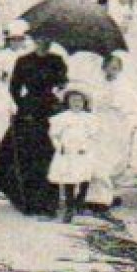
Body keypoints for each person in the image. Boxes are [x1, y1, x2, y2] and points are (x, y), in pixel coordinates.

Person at [0, 31, 69, 217]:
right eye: (41, 39)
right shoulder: (23, 61)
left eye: (48, 40)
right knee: (26, 154)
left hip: (49, 108)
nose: (45, 43)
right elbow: (14, 87)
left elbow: (62, 82)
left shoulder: (57, 60)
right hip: (29, 109)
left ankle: (48, 202)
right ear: (34, 40)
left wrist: (61, 86)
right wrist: (22, 106)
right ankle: (27, 199)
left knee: (48, 154)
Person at [90, 53, 137, 208]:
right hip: (100, 126)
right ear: (103, 68)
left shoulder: (124, 88)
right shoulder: (97, 85)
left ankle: (113, 193)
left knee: (116, 161)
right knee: (100, 160)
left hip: (117, 127)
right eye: (108, 68)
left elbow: (133, 109)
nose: (111, 71)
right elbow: (93, 105)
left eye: (115, 68)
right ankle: (99, 198)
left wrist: (130, 126)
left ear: (120, 70)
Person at [48, 89, 99, 222]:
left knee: (84, 177)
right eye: (73, 100)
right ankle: (69, 206)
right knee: (68, 178)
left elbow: (93, 137)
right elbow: (54, 135)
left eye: (79, 101)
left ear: (84, 103)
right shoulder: (62, 118)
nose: (76, 103)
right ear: (68, 102)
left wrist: (85, 147)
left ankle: (80, 202)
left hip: (83, 153)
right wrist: (59, 146)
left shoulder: (89, 118)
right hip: (67, 153)